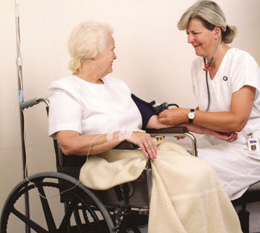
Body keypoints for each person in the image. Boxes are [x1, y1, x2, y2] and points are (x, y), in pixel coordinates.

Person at [47, 21, 242, 233]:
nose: (115, 56)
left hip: (143, 154)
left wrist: (206, 129)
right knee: (190, 179)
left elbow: (156, 120)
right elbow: (69, 144)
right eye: (111, 49)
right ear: (93, 53)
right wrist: (124, 134)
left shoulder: (117, 85)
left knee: (202, 170)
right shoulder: (66, 91)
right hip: (108, 160)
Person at [158, 0, 260, 200]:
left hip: (249, 149)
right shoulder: (198, 65)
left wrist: (188, 114)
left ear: (216, 31)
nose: (189, 39)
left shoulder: (241, 62)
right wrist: (183, 122)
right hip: (218, 141)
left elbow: (237, 121)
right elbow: (208, 108)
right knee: (167, 154)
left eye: (195, 33)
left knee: (187, 167)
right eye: (187, 34)